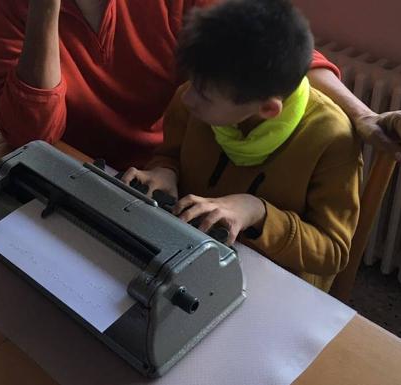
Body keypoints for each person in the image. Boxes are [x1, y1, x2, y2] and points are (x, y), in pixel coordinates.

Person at [0, 0, 401, 171]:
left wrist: (362, 115)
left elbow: (267, 55)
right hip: (69, 170)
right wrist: (45, 8)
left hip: (169, 173)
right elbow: (31, 138)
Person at [122, 0, 360, 291]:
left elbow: (332, 252)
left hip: (270, 283)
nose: (187, 98)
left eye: (205, 95)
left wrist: (257, 212)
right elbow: (169, 154)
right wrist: (164, 171)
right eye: (192, 82)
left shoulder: (333, 140)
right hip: (190, 253)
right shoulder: (195, 97)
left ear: (267, 110)